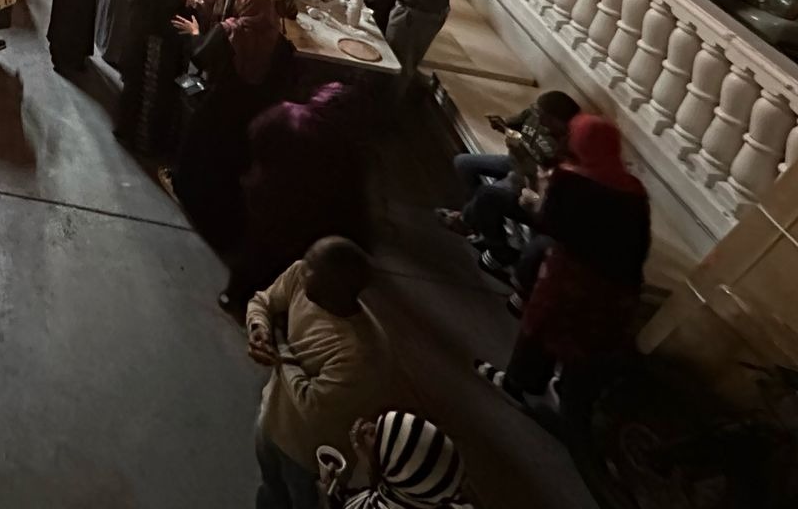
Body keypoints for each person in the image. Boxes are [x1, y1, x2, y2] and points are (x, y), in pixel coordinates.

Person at [476, 114, 649, 415]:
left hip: (573, 278)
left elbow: (549, 223)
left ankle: (518, 383)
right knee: (583, 341)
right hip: (620, 287)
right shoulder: (633, 188)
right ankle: (563, 397)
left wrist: (538, 197)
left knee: (541, 327)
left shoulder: (570, 180)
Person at [246, 237, 392, 509]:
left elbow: (311, 404)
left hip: (308, 455)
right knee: (270, 488)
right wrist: (259, 328)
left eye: (311, 265)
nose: (302, 267)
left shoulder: (360, 352)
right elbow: (263, 301)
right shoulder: (300, 278)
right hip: (271, 418)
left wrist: (280, 344)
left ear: (335, 288)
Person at [226, 84, 376, 309]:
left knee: (256, 249)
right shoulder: (349, 153)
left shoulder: (286, 113)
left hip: (266, 200)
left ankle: (235, 294)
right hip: (308, 222)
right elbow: (355, 204)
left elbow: (254, 134)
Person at [170, 0, 296, 250]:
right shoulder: (281, 45)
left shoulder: (229, 32)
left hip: (218, 106)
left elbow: (199, 57)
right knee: (232, 165)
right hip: (253, 115)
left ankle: (188, 193)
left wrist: (195, 33)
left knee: (201, 149)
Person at [438, 90, 581, 278]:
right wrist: (501, 125)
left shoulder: (564, 145)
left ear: (558, 121)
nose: (538, 118)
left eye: (544, 116)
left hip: (528, 181)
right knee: (463, 162)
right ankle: (476, 219)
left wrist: (521, 152)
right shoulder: (534, 115)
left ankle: (486, 236)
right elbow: (513, 125)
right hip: (513, 162)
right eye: (538, 112)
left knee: (489, 194)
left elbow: (542, 179)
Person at [113, 0, 192, 153]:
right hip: (155, 54)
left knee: (139, 92)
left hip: (148, 49)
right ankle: (145, 143)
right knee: (151, 97)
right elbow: (165, 24)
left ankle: (129, 131)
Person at [320, 411, 474, 509]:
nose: (366, 426)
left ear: (398, 473)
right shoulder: (431, 494)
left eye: (374, 434)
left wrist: (326, 497)